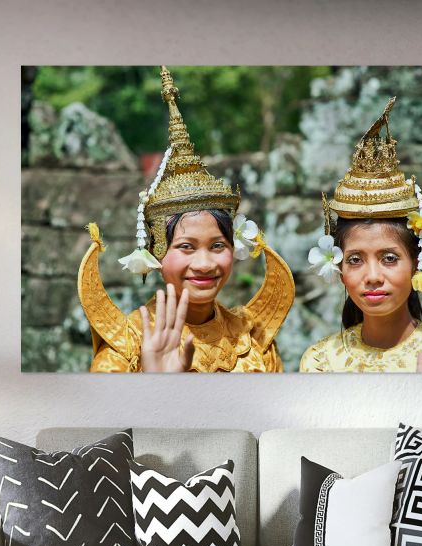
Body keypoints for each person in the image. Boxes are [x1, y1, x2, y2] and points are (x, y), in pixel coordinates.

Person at [77, 67, 294, 372]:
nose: (205, 264)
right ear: (156, 251)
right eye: (187, 247)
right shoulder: (125, 349)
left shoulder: (254, 342)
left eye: (218, 245)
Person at [298, 98, 422, 374]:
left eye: (389, 258)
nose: (372, 276)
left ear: (417, 261)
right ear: (339, 268)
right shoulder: (320, 363)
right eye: (355, 260)